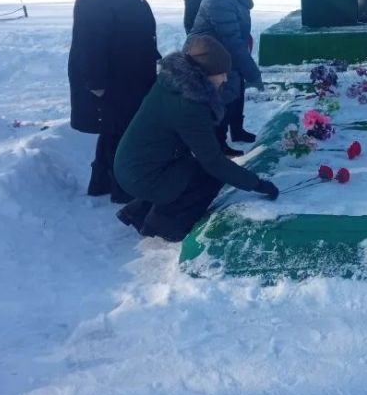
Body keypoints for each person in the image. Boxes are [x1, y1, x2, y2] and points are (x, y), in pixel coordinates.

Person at [113, 35, 279, 242]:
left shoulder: (173, 84)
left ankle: (136, 212)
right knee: (209, 179)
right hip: (143, 174)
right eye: (221, 74)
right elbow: (213, 162)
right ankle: (163, 225)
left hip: (137, 165)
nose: (225, 80)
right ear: (205, 74)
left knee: (195, 170)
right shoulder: (189, 105)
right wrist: (257, 184)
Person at [68, 0, 160, 203]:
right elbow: (90, 42)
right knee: (121, 132)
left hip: (130, 73)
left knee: (115, 129)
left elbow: (133, 28)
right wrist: (95, 81)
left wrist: (151, 53)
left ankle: (101, 183)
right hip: (113, 79)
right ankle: (123, 190)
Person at [191, 0, 262, 156]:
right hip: (210, 56)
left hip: (224, 51)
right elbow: (232, 41)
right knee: (220, 97)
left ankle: (234, 133)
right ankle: (218, 146)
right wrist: (253, 73)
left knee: (234, 90)